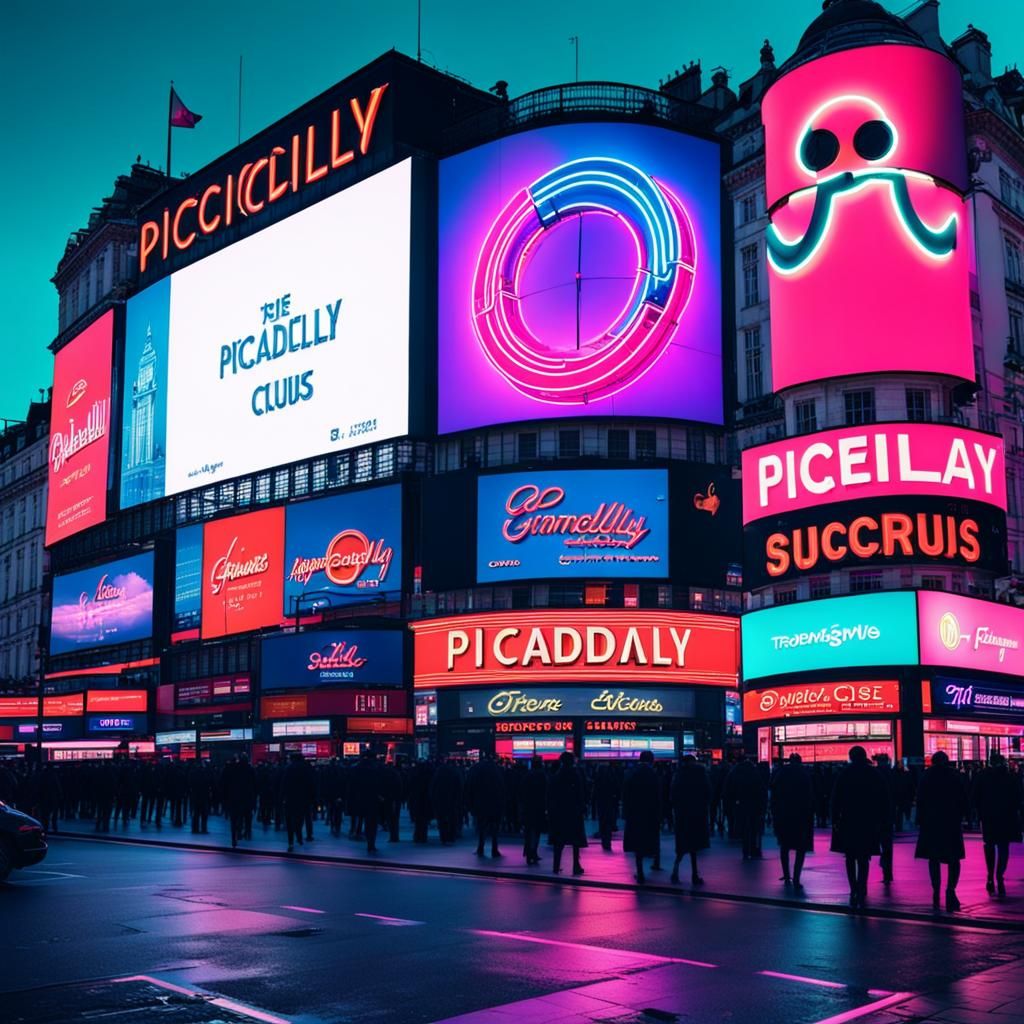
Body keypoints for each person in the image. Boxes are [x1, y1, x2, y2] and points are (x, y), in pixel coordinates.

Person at [830, 745, 889, 909]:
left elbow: (836, 799)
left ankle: (853, 888)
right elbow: (883, 799)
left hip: (848, 820)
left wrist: (834, 819)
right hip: (868, 821)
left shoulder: (845, 774)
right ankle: (862, 888)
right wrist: (883, 820)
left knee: (850, 857)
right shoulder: (873, 774)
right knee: (864, 858)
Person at [915, 750, 968, 910]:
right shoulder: (954, 776)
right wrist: (964, 816)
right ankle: (951, 889)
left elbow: (920, 799)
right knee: (954, 859)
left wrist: (920, 819)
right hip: (951, 821)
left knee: (933, 858)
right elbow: (963, 797)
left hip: (931, 823)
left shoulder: (926, 776)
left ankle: (936, 889)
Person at [972, 752, 1023, 896]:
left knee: (989, 845)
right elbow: (1018, 798)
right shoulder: (1010, 777)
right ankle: (1000, 875)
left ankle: (990, 875)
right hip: (1006, 816)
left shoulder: (982, 776)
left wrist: (978, 813)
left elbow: (975, 796)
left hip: (988, 816)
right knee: (1003, 847)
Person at [771, 753, 814, 889]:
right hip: (801, 815)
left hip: (784, 814)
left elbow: (774, 793)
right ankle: (796, 877)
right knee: (800, 848)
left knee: (784, 846)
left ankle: (786, 874)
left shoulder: (781, 773)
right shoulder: (804, 774)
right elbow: (810, 796)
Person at [669, 755, 710, 886]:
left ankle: (675, 870)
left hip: (682, 814)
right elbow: (708, 791)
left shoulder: (679, 774)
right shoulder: (700, 773)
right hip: (697, 813)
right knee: (695, 846)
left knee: (682, 844)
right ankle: (694, 874)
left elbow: (673, 795)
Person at [623, 750, 662, 884]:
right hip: (650, 812)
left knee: (637, 844)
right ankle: (655, 862)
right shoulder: (653, 774)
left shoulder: (632, 773)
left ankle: (639, 872)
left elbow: (626, 794)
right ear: (651, 760)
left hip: (635, 813)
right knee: (650, 839)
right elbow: (658, 795)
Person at [547, 751, 587, 876]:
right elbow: (580, 793)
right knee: (575, 841)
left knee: (559, 841)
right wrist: (582, 807)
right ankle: (576, 865)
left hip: (559, 812)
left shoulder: (556, 776)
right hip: (573, 811)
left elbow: (550, 795)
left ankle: (556, 866)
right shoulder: (575, 774)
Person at [726, 755, 767, 860]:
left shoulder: (735, 772)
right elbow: (761, 789)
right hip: (754, 803)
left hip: (740, 803)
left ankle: (745, 850)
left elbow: (729, 789)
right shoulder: (755, 772)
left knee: (743, 827)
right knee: (754, 827)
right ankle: (754, 849)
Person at [466, 754, 505, 858]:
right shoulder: (498, 770)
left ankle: (480, 847)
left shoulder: (477, 770)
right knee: (494, 828)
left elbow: (471, 787)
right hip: (495, 803)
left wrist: (470, 804)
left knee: (482, 826)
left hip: (481, 803)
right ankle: (494, 849)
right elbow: (503, 788)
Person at [873, 753, 899, 884]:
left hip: (875, 813)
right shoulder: (893, 774)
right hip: (888, 813)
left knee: (872, 842)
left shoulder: (874, 774)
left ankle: (884, 868)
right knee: (887, 844)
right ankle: (887, 872)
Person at [520, 756, 548, 866]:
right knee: (536, 831)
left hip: (528, 807)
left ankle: (528, 852)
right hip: (539, 807)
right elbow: (546, 792)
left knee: (528, 831)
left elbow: (522, 792)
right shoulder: (542, 776)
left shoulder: (527, 776)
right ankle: (534, 852)